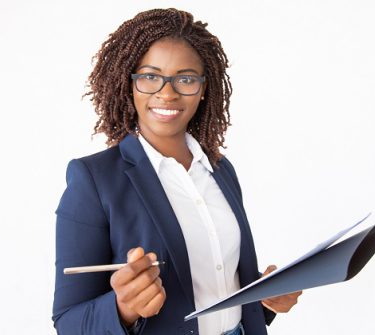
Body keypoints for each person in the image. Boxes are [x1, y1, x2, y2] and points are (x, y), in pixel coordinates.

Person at [52, 8, 301, 335]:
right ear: (129, 83)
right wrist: (123, 309)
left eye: (185, 79)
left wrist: (266, 295)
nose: (167, 93)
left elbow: (219, 281)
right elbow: (68, 321)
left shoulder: (220, 170)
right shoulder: (94, 180)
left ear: (202, 88)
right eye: (150, 76)